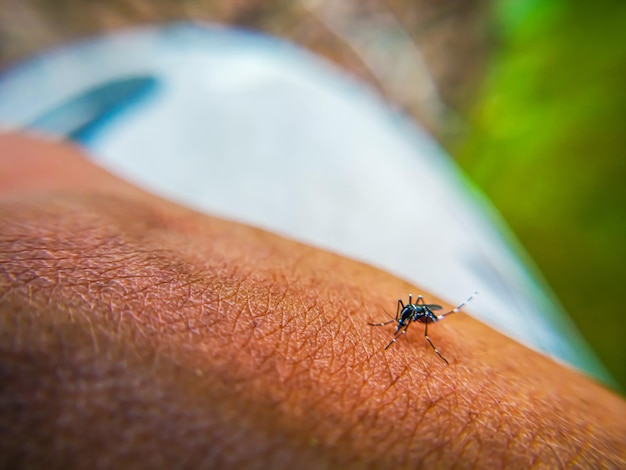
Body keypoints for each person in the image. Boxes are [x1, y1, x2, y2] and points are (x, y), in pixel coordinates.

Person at [1, 132, 625, 468]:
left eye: (411, 321)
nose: (411, 321)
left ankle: (452, 315)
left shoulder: (418, 321)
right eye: (410, 320)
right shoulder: (407, 310)